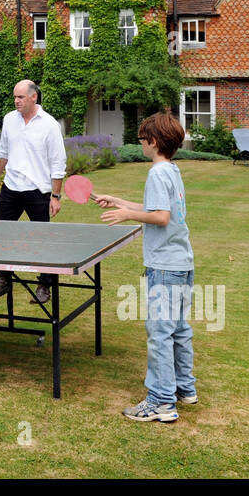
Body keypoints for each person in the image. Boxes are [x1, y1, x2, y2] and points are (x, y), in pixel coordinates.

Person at [94, 112, 197, 424]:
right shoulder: (171, 170)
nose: (140, 143)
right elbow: (157, 208)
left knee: (160, 333)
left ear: (153, 142)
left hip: (164, 267)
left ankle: (161, 402)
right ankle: (184, 388)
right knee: (178, 328)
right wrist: (119, 202)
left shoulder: (156, 174)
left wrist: (127, 216)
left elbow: (161, 217)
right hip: (181, 263)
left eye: (142, 139)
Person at [0, 80, 66, 304]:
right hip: (11, 187)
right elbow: (4, 151)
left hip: (38, 190)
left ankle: (45, 285)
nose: (16, 101)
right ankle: (4, 278)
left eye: (20, 97)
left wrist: (56, 197)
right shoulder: (9, 120)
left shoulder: (49, 125)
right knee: (2, 234)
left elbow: (58, 163)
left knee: (42, 239)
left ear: (34, 97)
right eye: (14, 97)